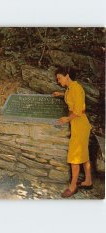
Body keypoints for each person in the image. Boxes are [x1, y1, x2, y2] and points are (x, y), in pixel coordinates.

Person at [52, 67, 92, 198]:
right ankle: (88, 181)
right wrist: (61, 94)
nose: (58, 81)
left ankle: (73, 186)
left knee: (74, 158)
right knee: (84, 154)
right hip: (79, 125)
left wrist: (67, 118)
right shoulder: (70, 88)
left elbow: (79, 109)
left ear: (67, 76)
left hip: (80, 125)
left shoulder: (76, 88)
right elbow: (73, 98)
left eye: (59, 78)